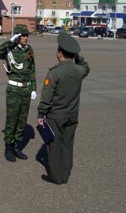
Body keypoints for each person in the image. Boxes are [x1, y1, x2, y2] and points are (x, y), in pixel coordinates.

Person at [37, 33, 90, 185]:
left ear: (60, 53)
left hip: (56, 116)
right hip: (72, 115)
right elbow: (86, 66)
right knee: (68, 144)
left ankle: (56, 176)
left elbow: (46, 97)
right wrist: (76, 55)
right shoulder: (79, 71)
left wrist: (41, 114)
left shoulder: (55, 72)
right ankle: (65, 174)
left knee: (54, 146)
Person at [0, 24, 37, 162]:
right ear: (17, 37)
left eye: (26, 35)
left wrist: (33, 88)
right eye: (22, 35)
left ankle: (17, 146)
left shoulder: (29, 49)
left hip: (26, 89)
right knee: (12, 120)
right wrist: (10, 42)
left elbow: (32, 69)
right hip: (14, 90)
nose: (25, 38)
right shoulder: (9, 49)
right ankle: (8, 148)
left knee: (22, 120)